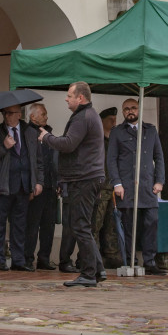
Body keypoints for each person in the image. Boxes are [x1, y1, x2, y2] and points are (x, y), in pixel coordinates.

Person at [38, 82, 105, 288]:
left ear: (80, 98)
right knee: (82, 225)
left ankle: (88, 273)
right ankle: (98, 269)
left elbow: (68, 144)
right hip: (84, 177)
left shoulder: (83, 117)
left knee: (80, 226)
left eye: (69, 95)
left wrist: (47, 137)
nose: (66, 99)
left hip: (83, 178)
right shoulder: (87, 115)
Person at [107, 98, 166, 274]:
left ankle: (149, 261)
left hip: (148, 185)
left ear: (139, 109)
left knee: (152, 222)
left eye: (133, 108)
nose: (130, 111)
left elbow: (159, 157)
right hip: (127, 186)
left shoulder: (151, 130)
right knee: (129, 225)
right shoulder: (117, 132)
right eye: (126, 109)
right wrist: (116, 183)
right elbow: (111, 160)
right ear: (123, 112)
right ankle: (131, 260)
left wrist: (159, 180)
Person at [0, 105, 42, 271]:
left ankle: (18, 260)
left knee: (20, 225)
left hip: (23, 185)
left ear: (19, 114)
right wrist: (3, 146)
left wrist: (38, 181)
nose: (7, 116)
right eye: (5, 113)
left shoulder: (30, 132)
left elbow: (38, 160)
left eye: (11, 113)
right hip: (2, 185)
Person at [25, 103, 58, 271]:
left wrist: (58, 181)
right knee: (32, 224)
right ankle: (28, 258)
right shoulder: (28, 133)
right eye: (43, 114)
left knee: (49, 225)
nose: (46, 116)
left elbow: (55, 160)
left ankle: (44, 258)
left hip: (51, 186)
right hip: (37, 187)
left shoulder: (49, 133)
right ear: (33, 117)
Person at [91, 106, 122, 270]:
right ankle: (94, 255)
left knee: (111, 223)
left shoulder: (115, 140)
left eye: (115, 119)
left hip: (114, 185)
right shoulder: (97, 140)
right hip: (101, 186)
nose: (114, 122)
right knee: (96, 222)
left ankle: (111, 254)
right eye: (111, 119)